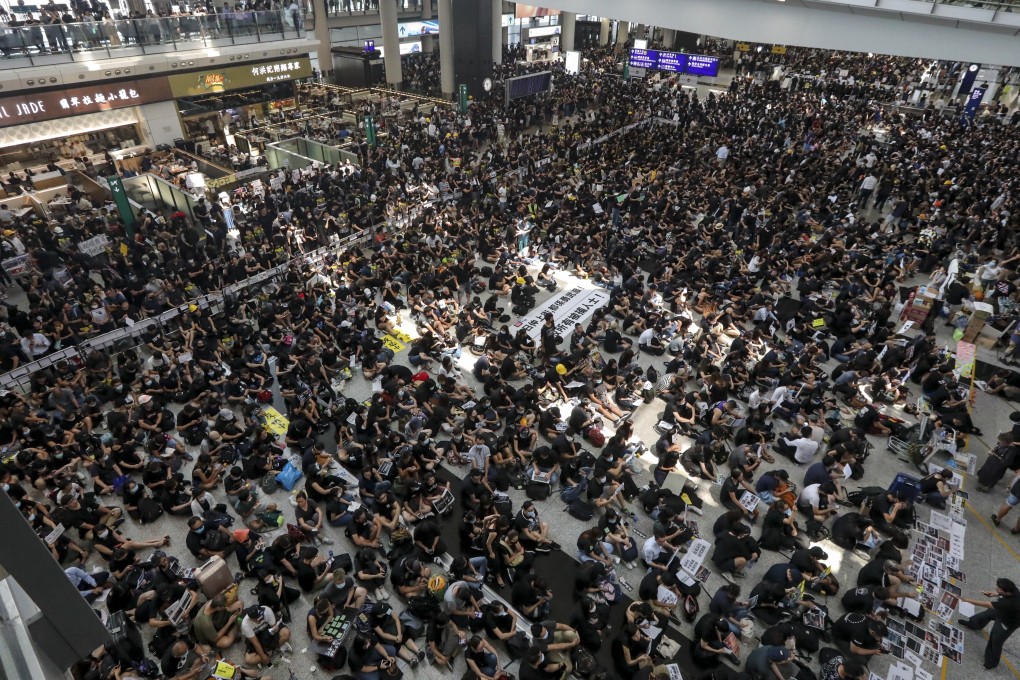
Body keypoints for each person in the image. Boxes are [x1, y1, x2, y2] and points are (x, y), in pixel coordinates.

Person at [959, 578, 1020, 669]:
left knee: (995, 640)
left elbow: (986, 604)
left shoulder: (1008, 603)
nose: (996, 589)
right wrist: (995, 594)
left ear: (1007, 591)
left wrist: (965, 600)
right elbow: (1003, 595)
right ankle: (973, 624)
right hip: (1004, 612)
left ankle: (991, 662)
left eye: (999, 589)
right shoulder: (1014, 590)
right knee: (985, 615)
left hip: (1008, 622)